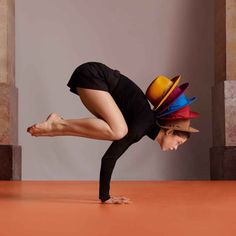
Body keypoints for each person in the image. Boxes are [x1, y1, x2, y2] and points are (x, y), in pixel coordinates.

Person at [27, 62, 194, 204]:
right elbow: (109, 158)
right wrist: (105, 197)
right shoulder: (141, 125)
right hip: (93, 75)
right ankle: (57, 124)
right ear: (170, 130)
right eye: (178, 142)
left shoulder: (143, 123)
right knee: (119, 130)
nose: (176, 148)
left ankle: (56, 125)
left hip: (93, 77)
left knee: (114, 128)